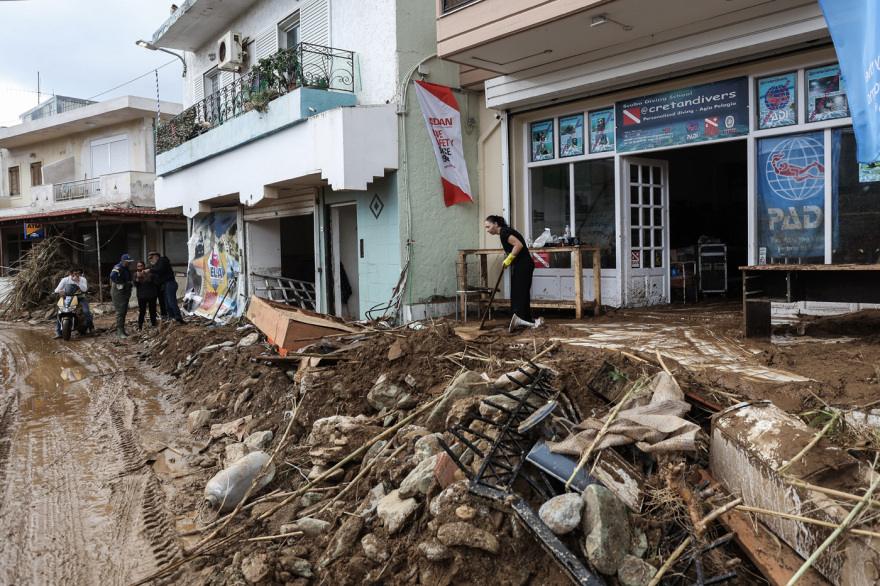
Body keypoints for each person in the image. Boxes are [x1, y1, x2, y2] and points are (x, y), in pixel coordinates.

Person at [484, 215, 543, 332]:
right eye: (486, 228)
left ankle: (519, 321)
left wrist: (510, 258)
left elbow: (518, 245)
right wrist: (510, 260)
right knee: (522, 292)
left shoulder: (504, 232)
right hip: (524, 265)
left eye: (488, 227)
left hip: (523, 265)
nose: (487, 230)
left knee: (518, 293)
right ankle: (525, 320)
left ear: (496, 224)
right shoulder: (505, 232)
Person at [52, 267, 95, 338]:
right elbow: (57, 289)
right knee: (60, 312)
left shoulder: (82, 279)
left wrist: (78, 281)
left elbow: (85, 289)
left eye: (78, 273)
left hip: (80, 298)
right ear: (70, 274)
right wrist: (59, 291)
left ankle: (91, 329)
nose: (77, 275)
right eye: (75, 273)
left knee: (86, 311)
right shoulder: (65, 280)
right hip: (67, 298)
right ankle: (58, 333)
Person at [149, 251, 185, 324]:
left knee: (171, 302)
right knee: (167, 304)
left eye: (151, 258)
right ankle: (173, 319)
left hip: (170, 284)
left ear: (156, 256)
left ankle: (178, 317)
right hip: (165, 285)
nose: (151, 260)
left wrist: (150, 270)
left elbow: (160, 270)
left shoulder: (162, 261)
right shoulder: (157, 265)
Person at [109, 254, 134, 338]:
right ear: (122, 260)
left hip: (125, 291)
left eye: (130, 262)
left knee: (123, 310)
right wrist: (120, 282)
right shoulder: (118, 267)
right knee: (120, 311)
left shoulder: (126, 268)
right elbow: (112, 276)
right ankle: (120, 331)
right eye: (128, 262)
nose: (129, 263)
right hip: (119, 291)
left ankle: (122, 329)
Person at [133, 261, 159, 331]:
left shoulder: (149, 272)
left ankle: (153, 324)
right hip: (141, 296)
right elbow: (135, 283)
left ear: (144, 266)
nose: (139, 267)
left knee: (152, 311)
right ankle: (140, 326)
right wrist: (138, 277)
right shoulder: (135, 274)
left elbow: (150, 280)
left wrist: (143, 275)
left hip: (151, 295)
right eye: (138, 266)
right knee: (142, 311)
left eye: (141, 266)